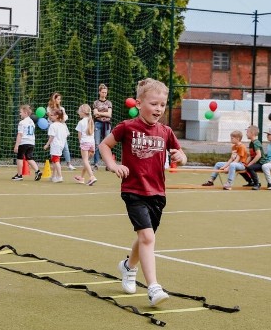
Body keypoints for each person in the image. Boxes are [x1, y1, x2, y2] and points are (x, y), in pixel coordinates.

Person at [98, 78, 187, 307]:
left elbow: (180, 153)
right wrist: (113, 165)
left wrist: (181, 157)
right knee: (147, 237)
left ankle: (128, 267)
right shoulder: (127, 127)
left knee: (145, 237)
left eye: (162, 105)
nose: (158, 109)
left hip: (157, 193)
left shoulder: (166, 131)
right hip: (133, 190)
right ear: (139, 103)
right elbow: (104, 146)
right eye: (154, 104)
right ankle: (153, 287)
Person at [12, 105, 42, 181]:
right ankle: (37, 171)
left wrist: (16, 146)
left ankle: (19, 175)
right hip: (31, 142)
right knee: (29, 158)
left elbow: (20, 134)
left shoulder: (22, 122)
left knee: (19, 158)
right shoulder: (32, 122)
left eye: (20, 112)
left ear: (25, 113)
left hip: (24, 142)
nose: (20, 114)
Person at [48, 92, 73, 169]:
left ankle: (69, 164)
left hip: (61, 129)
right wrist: (59, 119)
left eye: (60, 99)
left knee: (65, 147)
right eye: (58, 99)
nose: (59, 100)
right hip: (53, 129)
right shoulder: (49, 108)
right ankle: (54, 163)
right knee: (53, 146)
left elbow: (64, 118)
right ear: (54, 99)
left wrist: (62, 119)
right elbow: (51, 118)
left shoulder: (62, 109)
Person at [43, 107, 68, 183]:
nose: (50, 116)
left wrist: (47, 145)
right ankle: (53, 176)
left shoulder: (53, 126)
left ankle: (60, 176)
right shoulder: (63, 125)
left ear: (57, 116)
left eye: (52, 115)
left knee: (56, 160)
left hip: (56, 145)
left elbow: (51, 137)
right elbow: (66, 135)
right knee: (55, 160)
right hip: (61, 145)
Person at [74, 104, 97, 186]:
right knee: (86, 161)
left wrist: (81, 143)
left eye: (79, 111)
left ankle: (92, 176)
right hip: (92, 143)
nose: (78, 113)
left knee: (85, 160)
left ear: (83, 112)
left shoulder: (81, 122)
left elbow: (79, 135)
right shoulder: (90, 121)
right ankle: (81, 177)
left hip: (85, 143)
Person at [92, 83, 112, 169]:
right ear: (99, 92)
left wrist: (100, 113)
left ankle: (108, 164)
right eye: (103, 92)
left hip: (107, 125)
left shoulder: (109, 103)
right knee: (96, 143)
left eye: (105, 92)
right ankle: (96, 163)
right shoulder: (95, 103)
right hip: (98, 124)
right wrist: (104, 114)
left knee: (107, 144)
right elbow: (95, 114)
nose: (104, 94)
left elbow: (109, 114)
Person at [242, 125, 267, 190]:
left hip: (261, 163)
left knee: (250, 168)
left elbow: (259, 155)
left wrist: (250, 164)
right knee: (242, 167)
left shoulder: (256, 143)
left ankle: (257, 184)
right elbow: (251, 155)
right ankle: (250, 182)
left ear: (252, 133)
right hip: (256, 162)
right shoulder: (251, 143)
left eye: (247, 132)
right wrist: (245, 163)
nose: (246, 134)